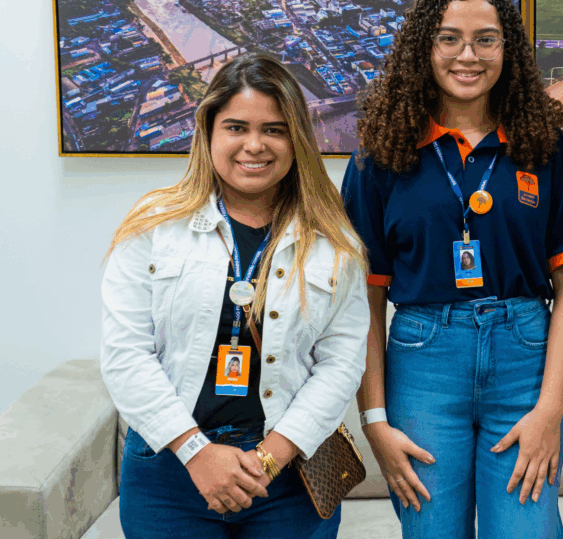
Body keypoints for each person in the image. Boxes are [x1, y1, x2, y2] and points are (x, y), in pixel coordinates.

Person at [342, 0, 563, 539]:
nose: (467, 55)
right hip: (422, 364)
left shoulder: (549, 149)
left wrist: (551, 409)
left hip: (524, 359)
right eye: (448, 38)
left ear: (508, 48)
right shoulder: (380, 156)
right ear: (422, 48)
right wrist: (374, 420)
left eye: (485, 39)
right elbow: (365, 296)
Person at [101, 54, 371, 539]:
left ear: (297, 139)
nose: (254, 145)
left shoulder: (334, 241)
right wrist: (196, 452)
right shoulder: (154, 226)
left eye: (274, 130)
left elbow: (341, 363)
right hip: (169, 471)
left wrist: (269, 459)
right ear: (208, 132)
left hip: (288, 475)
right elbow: (125, 354)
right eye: (236, 128)